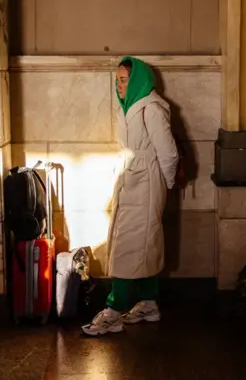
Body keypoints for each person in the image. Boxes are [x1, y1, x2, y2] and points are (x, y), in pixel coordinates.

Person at [82, 57, 179, 336]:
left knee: (129, 243)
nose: (119, 85)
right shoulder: (129, 107)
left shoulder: (152, 109)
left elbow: (168, 152)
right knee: (141, 242)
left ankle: (114, 309)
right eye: (117, 81)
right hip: (133, 179)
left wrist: (165, 184)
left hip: (147, 182)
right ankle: (149, 303)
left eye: (124, 80)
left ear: (137, 80)